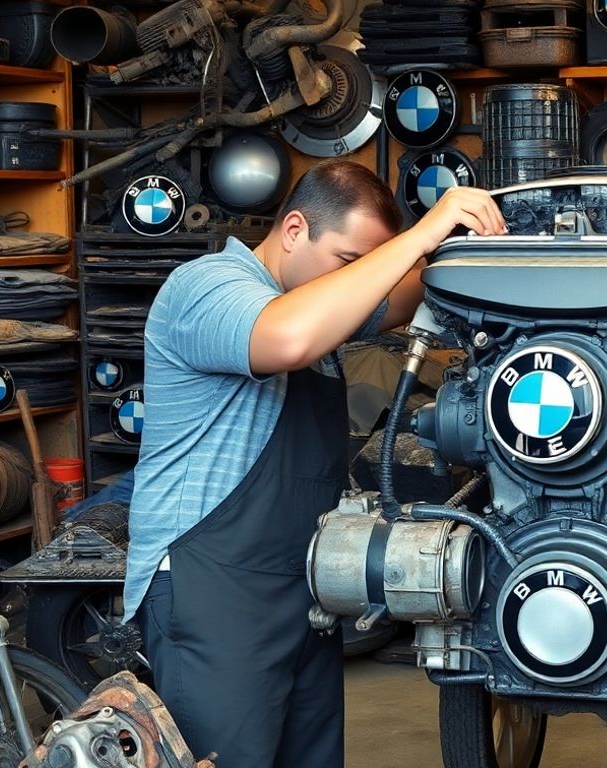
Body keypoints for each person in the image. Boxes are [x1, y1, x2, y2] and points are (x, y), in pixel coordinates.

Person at [122, 160, 505, 768]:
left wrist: (467, 254)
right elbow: (288, 340)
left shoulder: (315, 296)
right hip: (216, 588)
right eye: (349, 261)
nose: (360, 280)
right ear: (295, 229)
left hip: (303, 580)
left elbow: (407, 294)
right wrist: (421, 233)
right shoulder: (208, 287)